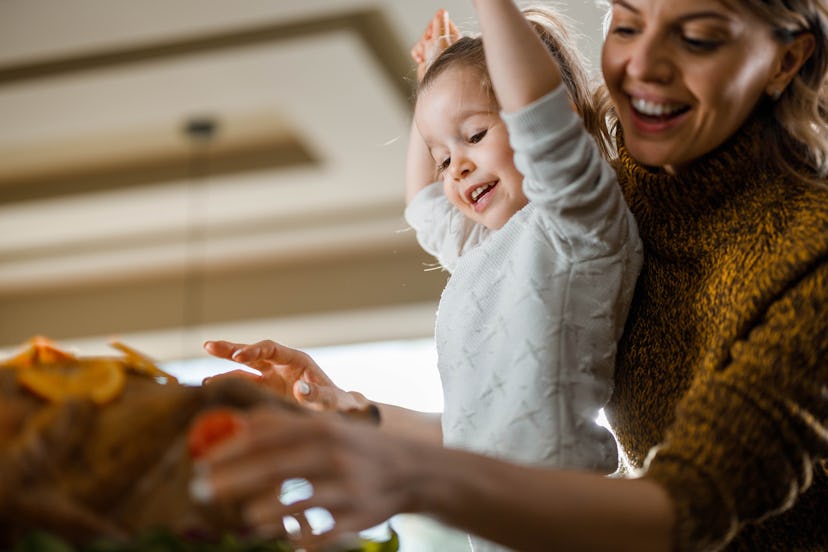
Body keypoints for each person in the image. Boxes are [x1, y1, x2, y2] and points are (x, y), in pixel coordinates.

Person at [193, 0, 828, 550]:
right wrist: (351, 417)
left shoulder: (583, 211)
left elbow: (688, 507)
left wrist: (412, 475)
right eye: (628, 25)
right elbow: (501, 426)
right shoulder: (543, 226)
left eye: (696, 36)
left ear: (786, 59)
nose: (643, 67)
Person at [205, 0, 641, 488]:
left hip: (568, 509)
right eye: (442, 159)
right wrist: (341, 404)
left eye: (475, 134)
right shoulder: (483, 251)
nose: (456, 167)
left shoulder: (575, 217)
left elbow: (542, 116)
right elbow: (427, 208)